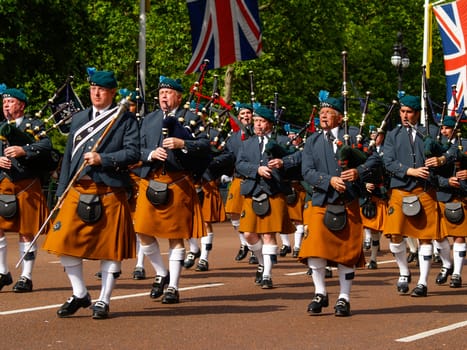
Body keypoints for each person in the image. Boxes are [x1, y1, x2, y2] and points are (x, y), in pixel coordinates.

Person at [42, 70, 140, 319]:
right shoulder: (80, 118)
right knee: (61, 243)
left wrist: (103, 158)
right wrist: (61, 191)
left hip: (109, 189)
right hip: (77, 189)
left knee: (110, 251)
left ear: (112, 93)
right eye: (93, 88)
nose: (96, 93)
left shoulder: (125, 119)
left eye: (102, 90)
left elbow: (132, 154)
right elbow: (68, 159)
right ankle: (80, 293)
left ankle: (103, 300)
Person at [299, 94, 379, 316]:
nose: (323, 116)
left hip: (348, 201)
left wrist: (358, 171)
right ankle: (320, 292)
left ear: (339, 117)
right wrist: (328, 180)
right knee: (314, 249)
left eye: (328, 113)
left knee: (347, 253)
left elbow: (374, 160)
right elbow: (306, 171)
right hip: (321, 200)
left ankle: (344, 298)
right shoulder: (312, 141)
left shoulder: (354, 136)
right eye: (322, 113)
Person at [133, 76, 210, 304]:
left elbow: (206, 146)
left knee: (175, 237)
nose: (163, 96)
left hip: (178, 181)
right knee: (143, 231)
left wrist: (183, 144)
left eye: (168, 93)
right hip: (151, 179)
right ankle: (161, 272)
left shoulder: (192, 118)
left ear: (178, 96)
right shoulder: (149, 119)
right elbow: (135, 148)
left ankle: (173, 287)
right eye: (161, 93)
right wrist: (150, 154)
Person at [382, 95, 456, 297]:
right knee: (395, 237)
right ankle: (404, 272)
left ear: (417, 113)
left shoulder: (431, 131)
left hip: (425, 191)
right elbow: (387, 161)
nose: (405, 115)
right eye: (402, 111)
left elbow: (453, 151)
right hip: (400, 189)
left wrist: (441, 159)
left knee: (425, 238)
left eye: (409, 112)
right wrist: (409, 171)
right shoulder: (393, 135)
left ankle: (422, 283)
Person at [236, 105, 298, 289]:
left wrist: (282, 162)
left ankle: (267, 275)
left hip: (274, 191)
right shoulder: (247, 143)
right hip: (253, 191)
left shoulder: (282, 141)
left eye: (261, 121)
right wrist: (256, 169)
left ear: (270, 124)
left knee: (269, 235)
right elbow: (239, 164)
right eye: (256, 121)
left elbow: (298, 158)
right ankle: (262, 261)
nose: (257, 125)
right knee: (248, 234)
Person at [0, 87, 52, 293]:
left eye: (10, 102)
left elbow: (47, 146)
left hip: (27, 183)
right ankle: (3, 272)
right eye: (4, 103)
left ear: (21, 105)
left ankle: (26, 276)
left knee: (26, 231)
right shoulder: (0, 126)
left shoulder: (35, 125)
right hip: (3, 183)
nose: (6, 105)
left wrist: (24, 150)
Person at [224, 103, 258, 264]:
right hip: (238, 178)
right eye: (243, 113)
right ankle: (244, 243)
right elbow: (229, 157)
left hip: (254, 180)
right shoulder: (233, 137)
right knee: (233, 213)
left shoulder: (257, 134)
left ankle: (253, 249)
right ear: (238, 117)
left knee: (253, 216)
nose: (246, 116)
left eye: (248, 113)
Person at [435, 116, 467, 288]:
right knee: (438, 236)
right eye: (442, 128)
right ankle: (447, 264)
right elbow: (431, 172)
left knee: (459, 235)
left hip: (460, 195)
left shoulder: (466, 144)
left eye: (447, 128)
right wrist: (445, 181)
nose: (444, 131)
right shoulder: (436, 146)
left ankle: (456, 274)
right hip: (442, 193)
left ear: (455, 128)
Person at [360, 127, 387, 269]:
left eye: (377, 135)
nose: (374, 138)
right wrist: (363, 184)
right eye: (372, 135)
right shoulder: (360, 154)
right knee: (356, 228)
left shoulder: (385, 152)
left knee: (376, 230)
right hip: (361, 196)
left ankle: (373, 258)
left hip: (377, 195)